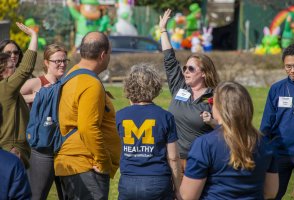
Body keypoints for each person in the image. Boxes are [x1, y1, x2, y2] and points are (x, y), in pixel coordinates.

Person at [180, 81, 279, 199]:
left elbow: (188, 196)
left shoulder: (205, 144)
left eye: (212, 102)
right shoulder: (265, 143)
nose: (211, 105)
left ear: (219, 107)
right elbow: (271, 192)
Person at [54, 31, 121, 199]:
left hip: (70, 163)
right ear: (103, 54)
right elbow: (87, 127)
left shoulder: (71, 74)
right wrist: (103, 161)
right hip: (85, 166)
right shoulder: (91, 84)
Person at [159, 9, 220, 172]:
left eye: (191, 69)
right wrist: (163, 30)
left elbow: (226, 129)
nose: (185, 71)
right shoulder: (180, 87)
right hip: (172, 159)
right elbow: (170, 61)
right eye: (185, 68)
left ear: (204, 73)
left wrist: (212, 122)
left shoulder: (216, 96)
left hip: (199, 161)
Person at [116, 64, 182, 200]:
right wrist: (179, 188)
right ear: (155, 86)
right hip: (157, 181)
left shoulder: (120, 115)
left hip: (128, 181)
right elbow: (173, 157)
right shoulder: (165, 116)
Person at [20, 44, 68, 200]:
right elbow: (10, 97)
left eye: (64, 60)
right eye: (57, 61)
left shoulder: (67, 84)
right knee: (37, 195)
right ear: (46, 62)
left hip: (64, 148)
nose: (62, 64)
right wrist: (37, 96)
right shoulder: (37, 82)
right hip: (41, 148)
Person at [260, 43, 294, 199]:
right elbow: (266, 124)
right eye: (288, 66)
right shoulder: (276, 89)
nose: (292, 70)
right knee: (272, 195)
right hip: (279, 154)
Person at [0, 22, 38, 169]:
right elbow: (26, 68)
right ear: (1, 71)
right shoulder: (6, 86)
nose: (14, 69)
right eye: (10, 67)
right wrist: (34, 36)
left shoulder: (8, 89)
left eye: (16, 53)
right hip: (11, 151)